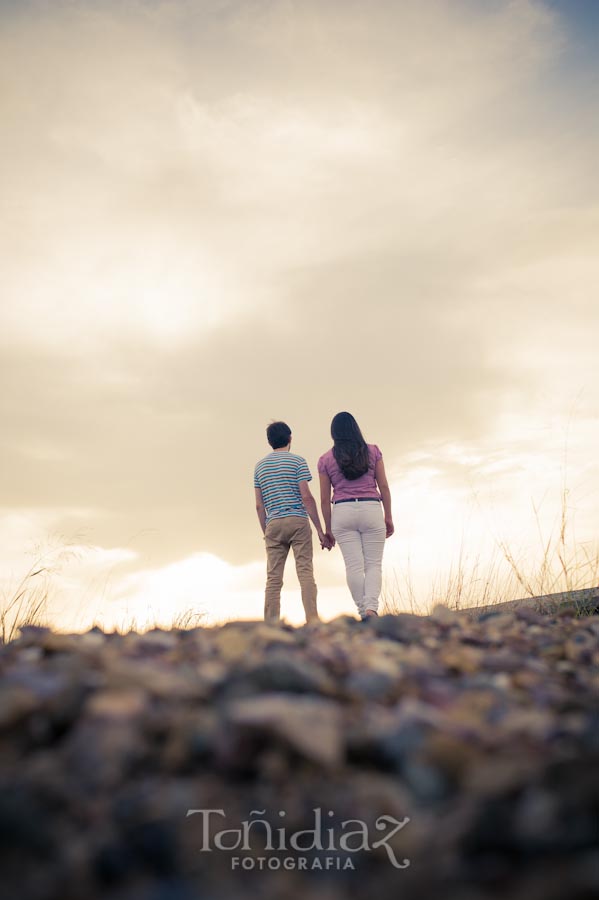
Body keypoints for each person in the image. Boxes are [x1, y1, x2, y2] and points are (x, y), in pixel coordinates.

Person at [318, 411, 394, 619]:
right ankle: (371, 609)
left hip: (342, 511)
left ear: (334, 433)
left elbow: (325, 500)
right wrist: (388, 516)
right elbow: (384, 486)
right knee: (373, 564)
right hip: (371, 508)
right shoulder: (373, 451)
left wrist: (328, 529)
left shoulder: (325, 460)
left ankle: (362, 612)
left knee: (353, 566)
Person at [254, 421, 331, 624]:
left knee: (273, 579)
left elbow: (259, 506)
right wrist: (320, 530)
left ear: (269, 442)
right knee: (305, 572)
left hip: (273, 524)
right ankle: (312, 621)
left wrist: (266, 531)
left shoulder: (259, 467)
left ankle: (271, 624)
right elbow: (306, 496)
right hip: (298, 521)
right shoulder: (297, 462)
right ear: (290, 438)